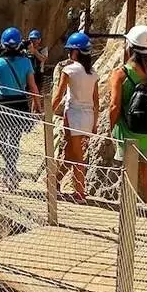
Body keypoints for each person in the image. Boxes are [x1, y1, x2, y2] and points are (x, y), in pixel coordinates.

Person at [109, 25, 147, 215]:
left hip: (128, 136)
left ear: (130, 46)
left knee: (129, 181)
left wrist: (112, 130)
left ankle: (127, 228)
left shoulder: (120, 73)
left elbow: (114, 106)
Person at [0, 27, 42, 190]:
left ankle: (9, 171)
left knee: (1, 139)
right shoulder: (26, 62)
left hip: (1, 104)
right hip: (19, 104)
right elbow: (33, 87)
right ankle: (11, 171)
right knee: (15, 140)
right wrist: (38, 106)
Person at [51, 32, 98, 200]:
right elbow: (96, 101)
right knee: (70, 153)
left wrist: (47, 113)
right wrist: (95, 123)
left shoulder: (69, 70)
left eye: (70, 50)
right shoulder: (93, 73)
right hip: (88, 117)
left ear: (75, 52)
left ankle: (80, 192)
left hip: (73, 116)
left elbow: (59, 95)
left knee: (77, 156)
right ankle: (54, 181)